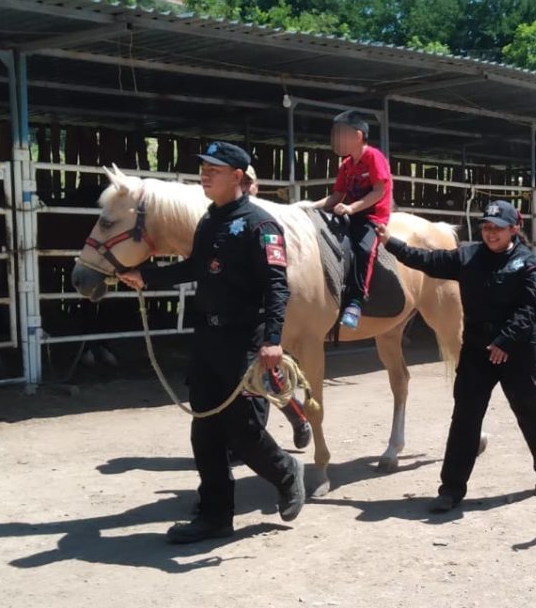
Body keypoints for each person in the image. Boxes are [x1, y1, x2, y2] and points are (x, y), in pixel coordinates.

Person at [117, 141, 305, 543]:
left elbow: (277, 286)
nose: (204, 174)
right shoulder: (208, 221)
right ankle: (215, 516)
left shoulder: (261, 225)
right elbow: (196, 268)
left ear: (237, 177)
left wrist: (273, 340)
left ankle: (286, 471)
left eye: (214, 170)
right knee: (205, 430)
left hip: (243, 340)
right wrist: (147, 277)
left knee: (243, 431)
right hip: (208, 338)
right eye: (203, 167)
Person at [376, 200, 536, 512]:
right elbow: (427, 260)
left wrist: (505, 340)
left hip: (517, 350)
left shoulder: (529, 264)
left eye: (498, 229)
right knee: (465, 418)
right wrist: (391, 243)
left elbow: (534, 307)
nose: (490, 234)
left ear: (514, 229)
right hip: (478, 349)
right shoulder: (468, 256)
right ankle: (450, 489)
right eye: (486, 228)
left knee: (529, 411)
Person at [241, 164, 313, 449]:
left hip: (259, 311)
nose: (245, 188)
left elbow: (277, 279)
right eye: (241, 182)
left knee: (264, 378)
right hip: (234, 312)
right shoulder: (222, 220)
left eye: (249, 182)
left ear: (256, 186)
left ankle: (290, 423)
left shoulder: (266, 221)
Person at [311, 110, 393, 329]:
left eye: (342, 134)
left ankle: (356, 302)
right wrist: (309, 207)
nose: (336, 139)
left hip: (372, 216)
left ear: (358, 136)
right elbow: (336, 195)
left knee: (364, 250)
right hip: (351, 214)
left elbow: (378, 191)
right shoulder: (346, 165)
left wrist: (350, 207)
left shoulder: (373, 157)